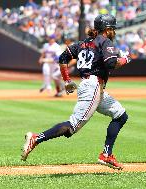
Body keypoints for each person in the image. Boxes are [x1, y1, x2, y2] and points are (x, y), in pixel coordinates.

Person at [21, 14, 131, 170]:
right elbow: (112, 63)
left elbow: (63, 57)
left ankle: (106, 154)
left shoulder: (83, 43)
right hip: (93, 87)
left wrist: (67, 80)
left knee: (120, 115)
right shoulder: (105, 41)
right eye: (113, 28)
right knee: (72, 126)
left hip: (92, 87)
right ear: (107, 29)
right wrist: (126, 59)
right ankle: (35, 138)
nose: (114, 31)